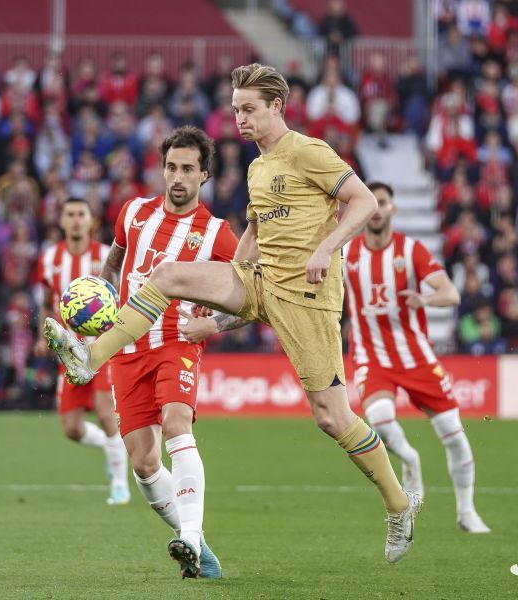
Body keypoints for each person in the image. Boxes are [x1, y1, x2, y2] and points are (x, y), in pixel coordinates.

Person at [44, 64, 421, 565]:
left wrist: (326, 248)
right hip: (261, 282)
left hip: (307, 296)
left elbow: (364, 201)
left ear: (276, 108)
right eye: (235, 110)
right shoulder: (257, 166)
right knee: (171, 275)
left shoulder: (308, 151)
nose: (239, 118)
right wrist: (228, 286)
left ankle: (398, 504)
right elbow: (258, 229)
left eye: (248, 109)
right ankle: (91, 356)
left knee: (332, 417)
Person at [93, 126, 235, 579]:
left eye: (188, 169)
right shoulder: (132, 212)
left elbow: (255, 297)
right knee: (143, 461)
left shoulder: (216, 233)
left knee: (176, 425)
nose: (177, 177)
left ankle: (189, 537)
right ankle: (199, 547)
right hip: (126, 350)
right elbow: (113, 264)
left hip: (177, 342)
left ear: (204, 175)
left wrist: (213, 323)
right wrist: (99, 306)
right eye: (171, 167)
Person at [343, 181, 490, 533]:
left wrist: (424, 300)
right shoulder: (346, 253)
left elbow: (450, 294)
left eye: (383, 203)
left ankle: (466, 512)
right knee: (378, 419)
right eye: (371, 203)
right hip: (371, 356)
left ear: (392, 209)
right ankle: (411, 459)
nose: (377, 210)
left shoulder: (412, 251)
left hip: (417, 358)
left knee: (455, 437)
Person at [36, 197, 130, 506]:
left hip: (104, 349)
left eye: (81, 214)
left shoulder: (107, 255)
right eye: (70, 214)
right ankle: (112, 448)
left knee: (106, 413)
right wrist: (42, 334)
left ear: (91, 221)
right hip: (69, 352)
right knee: (72, 429)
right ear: (61, 221)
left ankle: (120, 485)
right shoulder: (49, 259)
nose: (75, 220)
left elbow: (124, 296)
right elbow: (46, 302)